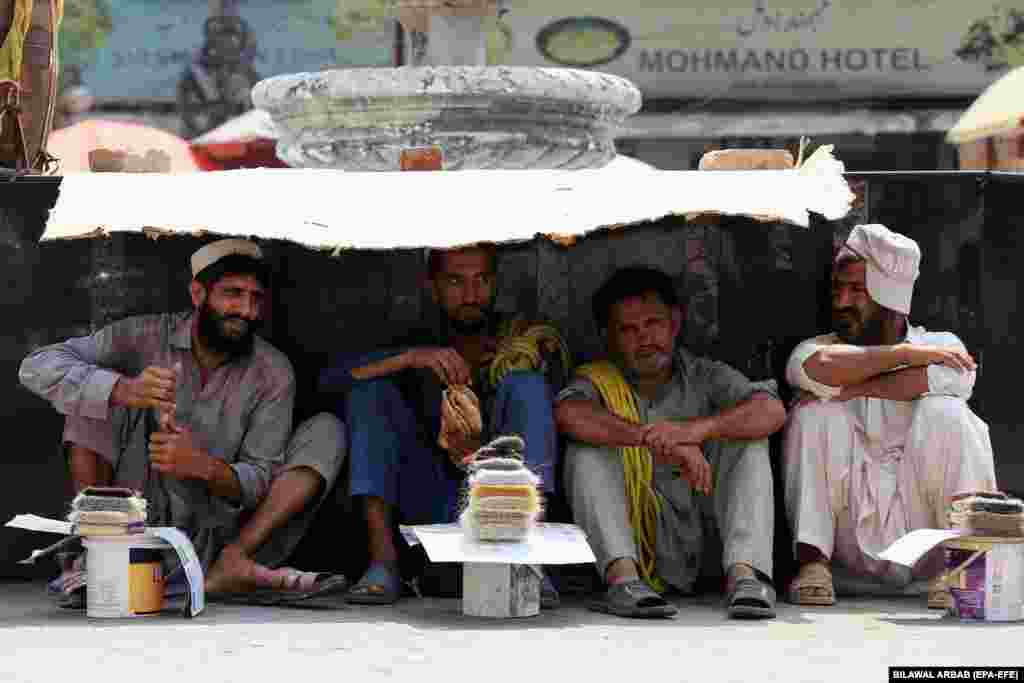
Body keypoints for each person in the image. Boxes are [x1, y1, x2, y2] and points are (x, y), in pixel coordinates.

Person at [19, 239, 348, 603]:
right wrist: (125, 389)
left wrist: (203, 466)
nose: (246, 310)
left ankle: (233, 563)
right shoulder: (139, 338)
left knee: (326, 430)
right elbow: (36, 367)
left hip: (219, 535)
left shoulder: (273, 371)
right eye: (233, 294)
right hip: (132, 526)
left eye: (256, 298)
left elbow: (259, 479)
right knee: (92, 391)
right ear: (197, 293)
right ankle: (101, 553)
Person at [319, 243, 566, 606]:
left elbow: (560, 410)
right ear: (432, 287)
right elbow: (328, 384)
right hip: (428, 500)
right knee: (369, 394)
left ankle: (528, 561)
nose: (471, 295)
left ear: (495, 283)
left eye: (481, 280)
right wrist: (410, 359)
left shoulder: (520, 338)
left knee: (527, 386)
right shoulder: (415, 337)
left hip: (502, 500)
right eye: (455, 281)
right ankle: (383, 562)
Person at [783, 223, 996, 608]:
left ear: (892, 299)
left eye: (857, 291)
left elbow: (955, 376)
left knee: (947, 411)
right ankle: (813, 565)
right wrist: (904, 358)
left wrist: (857, 385)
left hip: (926, 539)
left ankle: (964, 566)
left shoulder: (942, 345)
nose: (841, 301)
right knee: (813, 412)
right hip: (850, 540)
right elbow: (816, 369)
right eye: (837, 289)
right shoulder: (817, 347)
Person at [556, 266, 786, 619]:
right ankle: (623, 581)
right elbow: (569, 413)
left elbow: (771, 411)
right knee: (586, 451)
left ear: (675, 323)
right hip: (635, 546)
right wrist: (652, 440)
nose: (644, 339)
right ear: (609, 338)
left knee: (748, 441)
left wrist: (695, 431)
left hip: (705, 544)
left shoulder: (706, 375)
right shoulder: (598, 381)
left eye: (653, 324)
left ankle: (746, 577)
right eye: (628, 330)